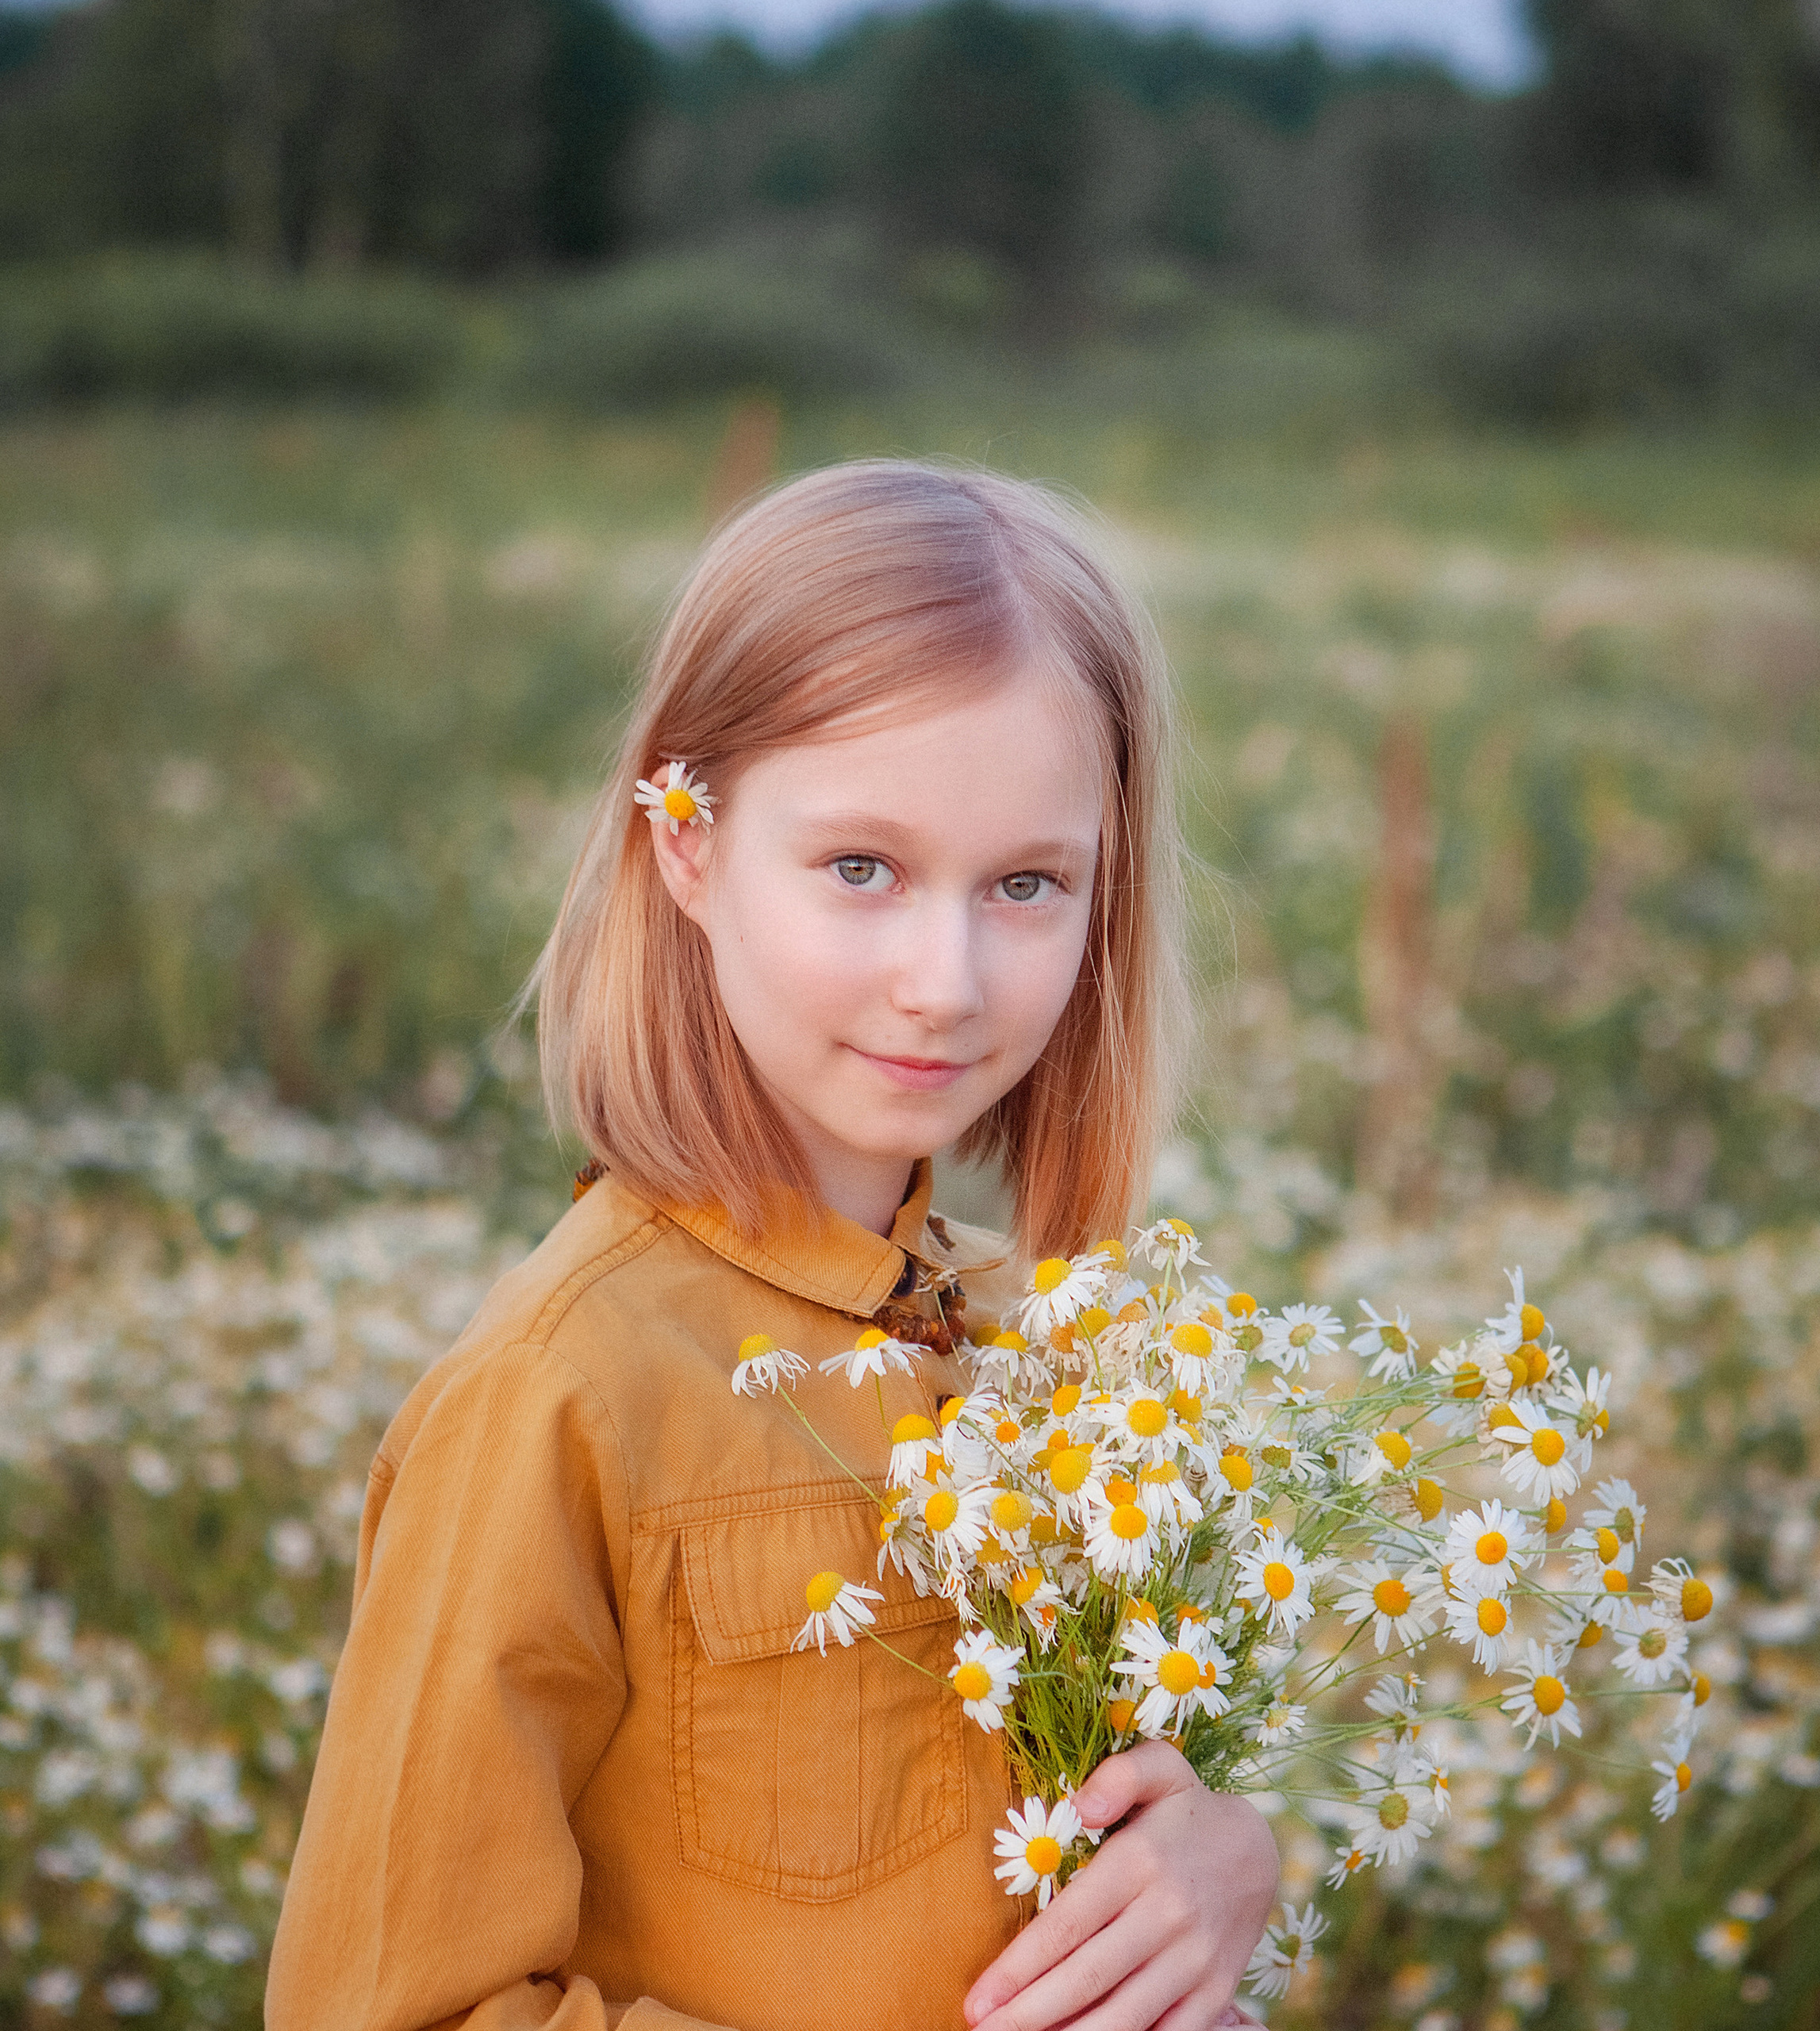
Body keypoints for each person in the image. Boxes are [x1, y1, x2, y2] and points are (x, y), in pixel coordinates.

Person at [265, 462, 1281, 2031]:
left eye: (1024, 882)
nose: (941, 979)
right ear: (685, 841)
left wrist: (1218, 1859)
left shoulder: (1068, 1348)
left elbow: (1106, 1831)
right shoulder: (559, 1392)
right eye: (859, 867)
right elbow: (390, 2004)